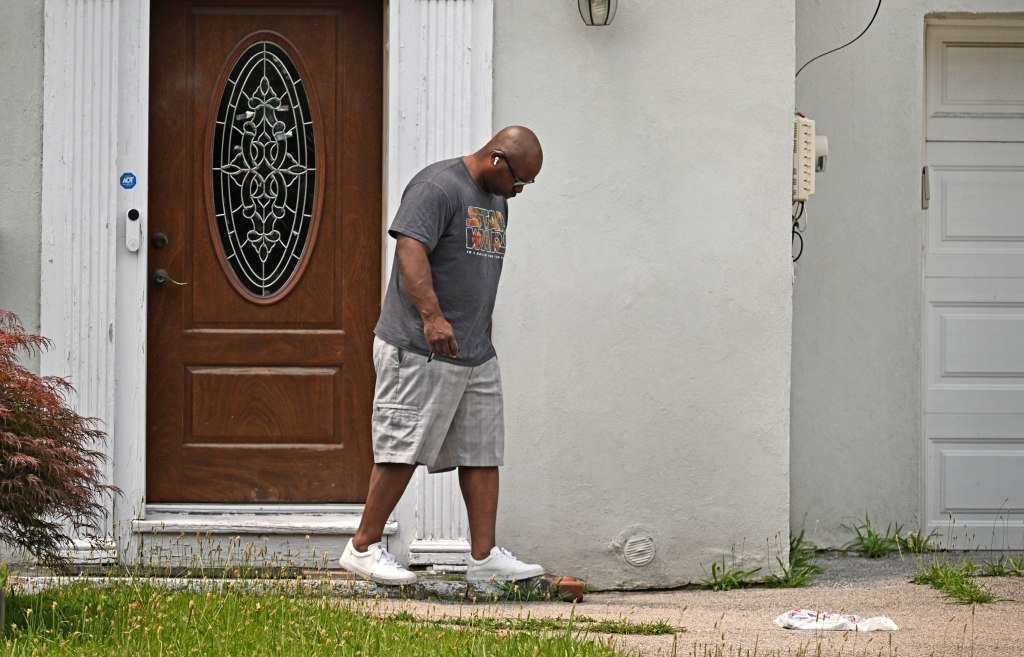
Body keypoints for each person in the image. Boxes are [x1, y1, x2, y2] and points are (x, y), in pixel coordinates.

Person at [338, 126, 544, 585]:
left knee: (482, 450)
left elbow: (477, 269)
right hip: (420, 347)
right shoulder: (438, 186)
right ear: (497, 159)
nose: (519, 191)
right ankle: (362, 547)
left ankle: (484, 558)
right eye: (519, 180)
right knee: (402, 447)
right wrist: (432, 317)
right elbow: (411, 249)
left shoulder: (497, 202)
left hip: (474, 352)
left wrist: (482, 326)